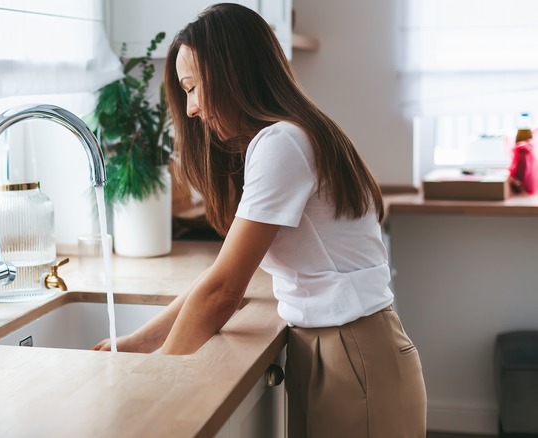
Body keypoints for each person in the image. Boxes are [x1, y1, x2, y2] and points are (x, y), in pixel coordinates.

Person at [93, 3, 427, 436]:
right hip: (342, 349)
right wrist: (139, 343)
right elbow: (220, 277)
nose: (191, 108)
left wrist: (160, 374)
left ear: (233, 71)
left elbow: (223, 290)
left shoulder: (281, 143)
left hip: (351, 353)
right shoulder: (293, 133)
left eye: (193, 87)